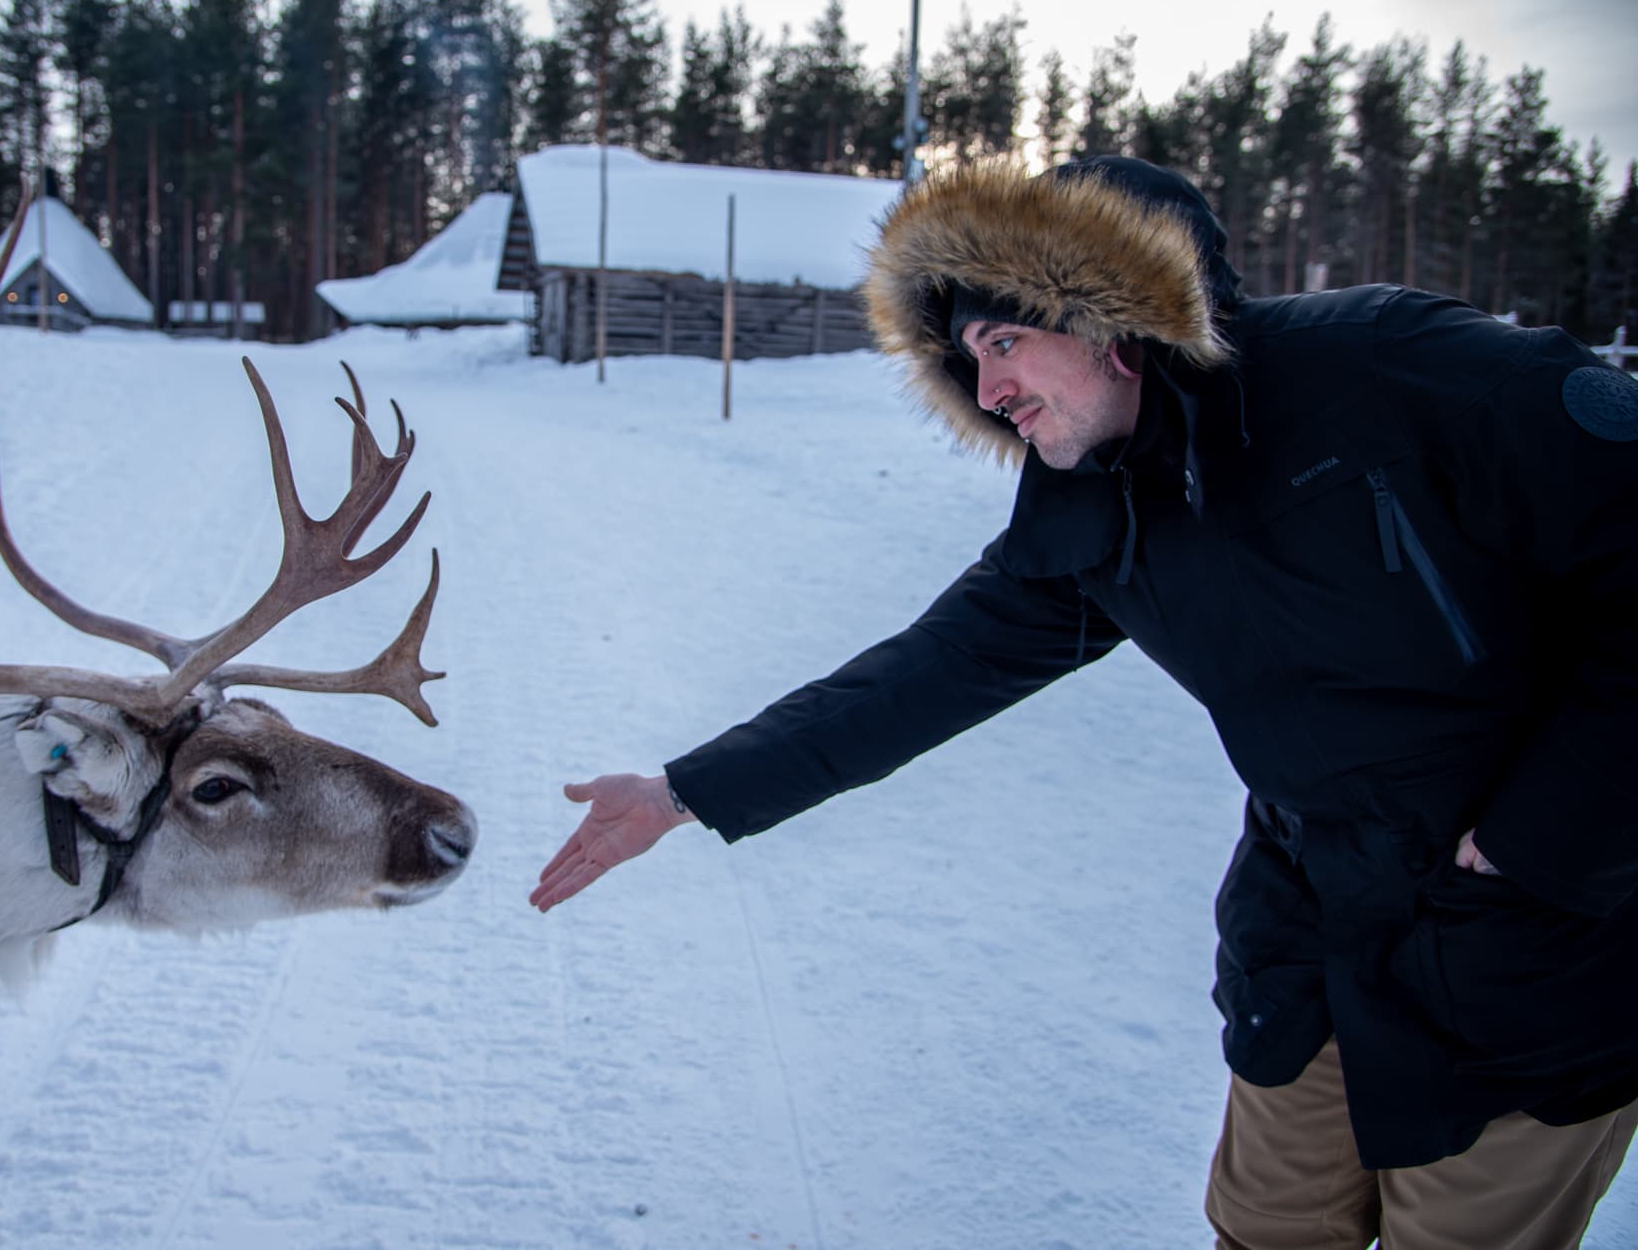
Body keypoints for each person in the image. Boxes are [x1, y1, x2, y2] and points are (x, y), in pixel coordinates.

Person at [530, 155, 1638, 1249]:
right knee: (1264, 1228)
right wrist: (683, 790)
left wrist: (1536, 840)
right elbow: (916, 676)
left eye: (1004, 339)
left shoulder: (1390, 369)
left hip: (1530, 952)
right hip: (1309, 935)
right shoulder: (1089, 506)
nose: (987, 386)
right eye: (966, 357)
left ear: (1116, 312)